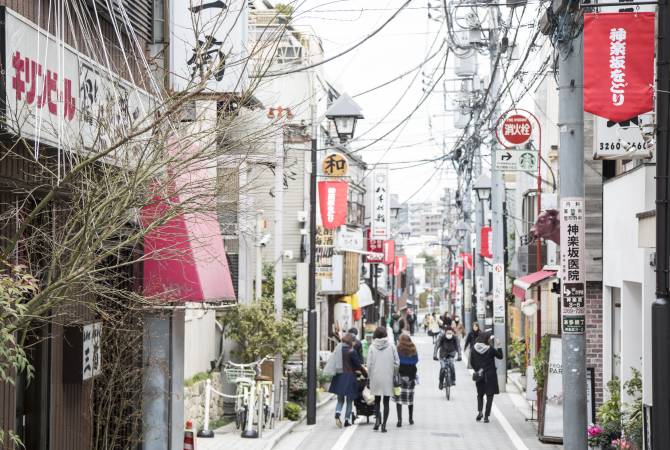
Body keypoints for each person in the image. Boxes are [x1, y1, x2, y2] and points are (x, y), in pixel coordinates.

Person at [329, 334, 367, 428]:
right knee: (349, 401)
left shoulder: (338, 350)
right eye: (353, 341)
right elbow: (358, 364)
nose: (354, 343)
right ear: (351, 341)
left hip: (339, 377)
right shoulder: (351, 351)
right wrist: (365, 373)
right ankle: (346, 420)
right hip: (349, 377)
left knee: (340, 400)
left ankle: (337, 413)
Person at [368, 326, 399, 433]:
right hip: (388, 377)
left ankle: (377, 421)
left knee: (376, 401)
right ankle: (384, 425)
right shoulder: (391, 346)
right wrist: (393, 373)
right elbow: (397, 362)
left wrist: (369, 376)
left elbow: (369, 364)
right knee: (386, 402)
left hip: (375, 377)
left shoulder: (372, 347)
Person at [470, 332, 504, 423]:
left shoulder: (474, 348)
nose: (490, 340)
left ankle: (480, 412)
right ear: (486, 339)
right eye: (489, 338)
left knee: (480, 395)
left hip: (480, 375)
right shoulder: (490, 349)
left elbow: (471, 362)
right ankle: (486, 417)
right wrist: (499, 345)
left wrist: (478, 370)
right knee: (489, 396)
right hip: (490, 376)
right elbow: (500, 357)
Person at [394, 334, 418, 427]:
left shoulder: (398, 348)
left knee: (399, 399)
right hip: (411, 376)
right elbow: (416, 360)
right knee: (410, 398)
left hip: (400, 375)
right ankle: (410, 419)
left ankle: (399, 420)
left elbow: (396, 361)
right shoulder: (413, 348)